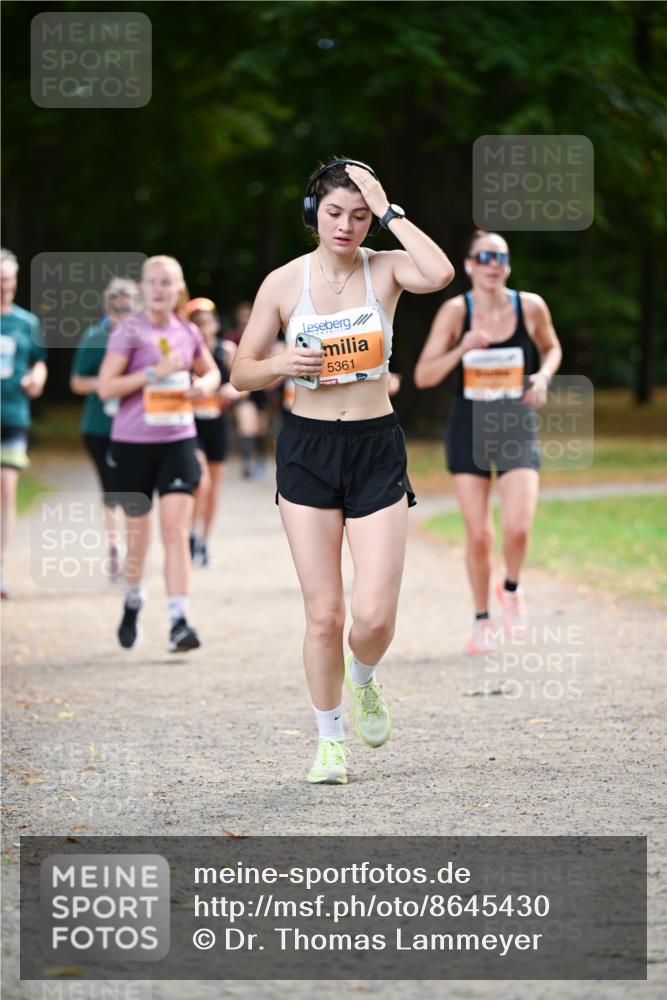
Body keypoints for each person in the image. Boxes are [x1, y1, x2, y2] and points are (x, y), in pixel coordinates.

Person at [231, 158, 454, 784]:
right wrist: (280, 364)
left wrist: (392, 213)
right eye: (335, 213)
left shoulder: (385, 268)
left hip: (375, 445)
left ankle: (364, 677)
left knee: (375, 617)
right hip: (307, 447)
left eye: (360, 215)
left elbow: (439, 272)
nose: (347, 226)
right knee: (325, 613)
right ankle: (329, 740)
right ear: (313, 214)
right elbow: (240, 370)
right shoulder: (283, 283)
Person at [414, 230, 562, 653]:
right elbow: (425, 376)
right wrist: (461, 347)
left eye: (500, 257)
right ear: (468, 265)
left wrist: (544, 377)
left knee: (517, 527)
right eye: (484, 257)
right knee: (479, 535)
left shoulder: (529, 306)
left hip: (516, 421)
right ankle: (481, 619)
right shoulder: (454, 312)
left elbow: (552, 348)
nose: (493, 264)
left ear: (508, 266)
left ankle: (511, 589)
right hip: (469, 425)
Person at [97, 256, 220, 652]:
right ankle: (134, 599)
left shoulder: (187, 331)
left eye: (166, 283)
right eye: (152, 282)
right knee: (138, 539)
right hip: (133, 444)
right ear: (143, 286)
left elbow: (213, 371)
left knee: (176, 532)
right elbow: (106, 388)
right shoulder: (129, 330)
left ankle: (179, 620)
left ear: (178, 288)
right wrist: (153, 372)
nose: (159, 289)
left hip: (179, 439)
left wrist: (206, 385)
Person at [70, 277, 141, 580]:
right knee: (112, 489)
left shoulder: (144, 338)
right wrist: (106, 384)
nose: (121, 312)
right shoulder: (94, 337)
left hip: (136, 426)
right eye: (116, 306)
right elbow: (76, 382)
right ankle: (115, 548)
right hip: (100, 427)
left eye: (128, 307)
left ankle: (133, 549)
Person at [0, 248, 48, 599]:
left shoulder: (26, 323)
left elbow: (38, 362)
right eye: (0, 281)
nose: (6, 287)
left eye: (10, 280)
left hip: (13, 415)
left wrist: (37, 379)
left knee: (6, 490)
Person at [186, 296, 244, 567]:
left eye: (206, 321)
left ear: (215, 323)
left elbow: (242, 383)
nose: (202, 327)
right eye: (195, 322)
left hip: (217, 423)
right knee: (201, 482)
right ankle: (191, 533)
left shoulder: (226, 350)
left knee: (213, 488)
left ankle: (204, 542)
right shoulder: (183, 351)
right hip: (189, 424)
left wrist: (231, 391)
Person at [224, 301, 270, 477]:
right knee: (246, 426)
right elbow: (231, 366)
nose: (244, 320)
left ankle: (260, 459)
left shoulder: (264, 334)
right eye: (241, 317)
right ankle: (247, 464)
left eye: (247, 316)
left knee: (261, 429)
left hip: (262, 389)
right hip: (244, 388)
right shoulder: (232, 338)